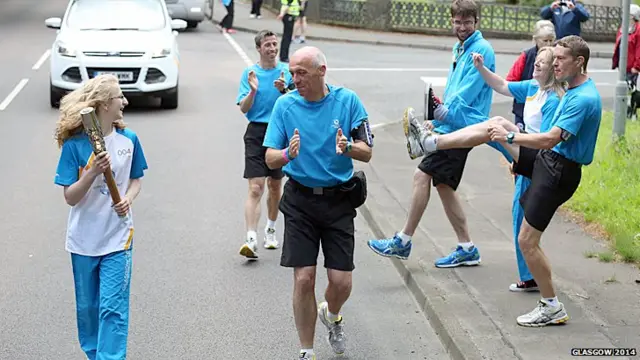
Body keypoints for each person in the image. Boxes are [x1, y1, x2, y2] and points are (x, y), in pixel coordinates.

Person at [408, 35, 602, 327]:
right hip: (548, 161)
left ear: (579, 62)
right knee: (492, 125)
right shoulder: (571, 88)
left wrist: (511, 137)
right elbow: (514, 90)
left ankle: (552, 306)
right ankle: (431, 142)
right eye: (554, 58)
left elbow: (550, 139)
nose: (555, 63)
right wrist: (509, 132)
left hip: (557, 170)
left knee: (527, 241)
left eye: (560, 59)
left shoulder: (584, 98)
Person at [404, 46, 566, 292]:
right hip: (526, 154)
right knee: (519, 220)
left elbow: (547, 141)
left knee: (494, 129)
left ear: (553, 70)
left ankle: (432, 138)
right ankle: (530, 277)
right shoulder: (534, 88)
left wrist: (511, 139)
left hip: (539, 159)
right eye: (537, 60)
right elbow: (501, 85)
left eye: (542, 62)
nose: (536, 64)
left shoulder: (553, 99)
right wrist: (481, 68)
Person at [367, 0, 512, 268]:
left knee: (422, 174)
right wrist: (438, 116)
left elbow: (466, 94)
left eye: (467, 22)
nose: (462, 27)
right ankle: (467, 247)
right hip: (456, 125)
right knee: (444, 185)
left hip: (464, 128)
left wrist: (443, 115)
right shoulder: (461, 47)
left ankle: (403, 241)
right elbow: (455, 89)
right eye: (458, 22)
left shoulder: (481, 50)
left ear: (476, 22)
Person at [263, 46, 374, 359]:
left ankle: (332, 313)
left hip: (338, 200)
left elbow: (367, 151)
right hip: (299, 200)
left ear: (322, 71)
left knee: (341, 282)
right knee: (304, 278)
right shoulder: (285, 105)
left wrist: (348, 147)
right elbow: (269, 155)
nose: (295, 79)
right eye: (293, 72)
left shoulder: (348, 101)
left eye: (302, 73)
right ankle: (306, 350)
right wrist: (288, 154)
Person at [54, 74, 148, 359]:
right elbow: (70, 197)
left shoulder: (129, 140)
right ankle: (95, 355)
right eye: (120, 96)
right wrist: (93, 171)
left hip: (118, 237)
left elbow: (136, 179)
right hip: (83, 240)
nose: (125, 101)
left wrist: (128, 200)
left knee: (113, 307)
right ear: (105, 104)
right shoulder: (75, 146)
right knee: (89, 311)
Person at [236, 30, 294, 259]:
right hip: (256, 131)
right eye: (267, 45)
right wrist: (253, 90)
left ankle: (271, 228)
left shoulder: (286, 72)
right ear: (259, 48)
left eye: (274, 44)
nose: (272, 48)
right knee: (255, 187)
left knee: (275, 186)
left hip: (279, 132)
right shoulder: (250, 73)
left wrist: (285, 90)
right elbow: (243, 108)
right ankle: (251, 238)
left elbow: (297, 100)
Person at [507, 20, 556, 130]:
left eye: (551, 40)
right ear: (535, 40)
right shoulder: (526, 56)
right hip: (523, 106)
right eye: (545, 41)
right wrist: (525, 90)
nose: (548, 44)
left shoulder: (557, 55)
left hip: (544, 105)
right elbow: (511, 79)